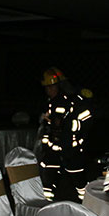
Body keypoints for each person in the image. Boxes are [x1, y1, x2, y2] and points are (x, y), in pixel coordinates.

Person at [36, 66, 93, 202]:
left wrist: (74, 137)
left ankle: (87, 206)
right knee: (48, 182)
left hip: (71, 150)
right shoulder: (50, 103)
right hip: (53, 150)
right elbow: (47, 126)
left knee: (79, 181)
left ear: (60, 85)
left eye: (52, 87)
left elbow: (84, 122)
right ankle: (46, 206)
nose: (49, 90)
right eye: (47, 87)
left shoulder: (74, 103)